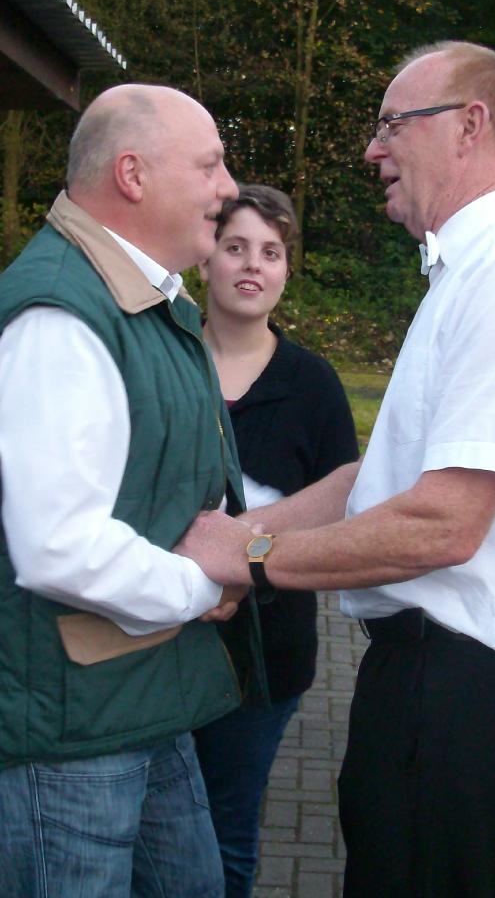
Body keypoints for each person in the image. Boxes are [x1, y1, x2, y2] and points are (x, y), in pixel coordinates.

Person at [176, 41, 495, 898]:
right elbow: (381, 479)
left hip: (457, 687)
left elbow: (444, 522)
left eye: (392, 124)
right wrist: (239, 533)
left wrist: (251, 559)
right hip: (441, 682)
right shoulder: (476, 270)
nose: (371, 150)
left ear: (470, 126)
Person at [0, 83, 251, 897]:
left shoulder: (136, 298)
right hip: (63, 731)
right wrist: (205, 583)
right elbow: (59, 548)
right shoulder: (59, 318)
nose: (228, 187)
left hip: (132, 697)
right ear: (133, 175)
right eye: (209, 165)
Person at [192, 184, 359, 898]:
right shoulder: (165, 362)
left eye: (270, 252)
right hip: (149, 643)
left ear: (287, 268)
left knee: (226, 833)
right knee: (146, 828)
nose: (252, 266)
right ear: (205, 260)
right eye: (235, 247)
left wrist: (247, 553)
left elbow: (343, 505)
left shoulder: (312, 385)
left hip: (263, 657)